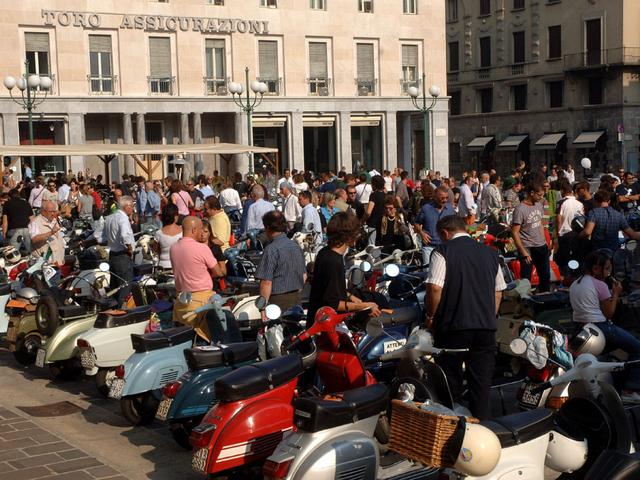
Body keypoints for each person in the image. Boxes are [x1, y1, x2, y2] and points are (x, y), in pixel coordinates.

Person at [425, 215, 506, 420]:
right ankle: (483, 429)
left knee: (450, 383)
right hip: (485, 327)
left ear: (445, 233)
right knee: (481, 385)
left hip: (453, 326)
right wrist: (490, 314)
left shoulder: (442, 251)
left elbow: (435, 288)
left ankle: (453, 429)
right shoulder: (491, 253)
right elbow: (498, 292)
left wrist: (431, 316)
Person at [570, 250, 640, 403]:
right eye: (607, 268)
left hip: (581, 329)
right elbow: (609, 313)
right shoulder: (600, 285)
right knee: (637, 348)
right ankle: (631, 390)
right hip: (601, 327)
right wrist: (615, 293)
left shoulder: (576, 283)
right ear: (596, 268)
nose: (609, 272)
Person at [307, 212, 381, 327]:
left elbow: (330, 289)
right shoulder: (334, 261)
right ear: (348, 236)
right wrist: (366, 306)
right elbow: (333, 303)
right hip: (325, 327)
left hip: (317, 320)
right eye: (355, 233)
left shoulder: (324, 252)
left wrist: (351, 297)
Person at [170, 216, 224, 342]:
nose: (202, 232)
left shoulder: (174, 248)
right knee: (207, 341)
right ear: (194, 230)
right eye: (201, 229)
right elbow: (218, 272)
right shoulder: (202, 248)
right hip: (201, 303)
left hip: (182, 302)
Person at [255, 211, 306, 316]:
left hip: (277, 302)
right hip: (296, 298)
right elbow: (304, 276)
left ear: (268, 228)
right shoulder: (295, 246)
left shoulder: (271, 250)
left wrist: (262, 308)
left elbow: (266, 282)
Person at [511, 181, 550, 293]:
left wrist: (545, 242)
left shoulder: (539, 205)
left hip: (541, 246)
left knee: (545, 278)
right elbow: (514, 232)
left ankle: (544, 303)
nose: (541, 197)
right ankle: (526, 306)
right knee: (526, 281)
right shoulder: (520, 209)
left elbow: (541, 224)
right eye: (539, 195)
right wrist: (523, 251)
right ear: (532, 193)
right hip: (527, 247)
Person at [101, 196, 136, 307]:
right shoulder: (123, 218)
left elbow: (103, 237)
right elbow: (125, 236)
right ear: (126, 207)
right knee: (125, 286)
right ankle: (122, 311)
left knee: (115, 285)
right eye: (131, 206)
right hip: (122, 255)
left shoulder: (110, 217)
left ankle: (114, 308)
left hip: (112, 254)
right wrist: (130, 250)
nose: (132, 209)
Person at [414, 186, 456, 263]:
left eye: (446, 198)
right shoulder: (426, 208)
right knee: (428, 272)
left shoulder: (450, 209)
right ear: (435, 197)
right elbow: (416, 223)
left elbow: (455, 225)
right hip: (429, 246)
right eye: (442, 198)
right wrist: (421, 233)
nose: (445, 200)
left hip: (445, 246)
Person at [555, 179, 584, 273]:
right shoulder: (580, 204)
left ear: (563, 191)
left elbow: (558, 219)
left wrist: (557, 234)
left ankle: (566, 276)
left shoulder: (561, 203)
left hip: (564, 233)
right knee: (574, 257)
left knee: (564, 259)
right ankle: (574, 274)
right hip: (577, 234)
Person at [28, 200, 65, 265]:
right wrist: (51, 233)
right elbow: (34, 239)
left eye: (54, 211)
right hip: (46, 264)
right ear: (43, 211)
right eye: (51, 211)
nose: (53, 214)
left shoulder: (53, 220)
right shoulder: (35, 222)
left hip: (58, 261)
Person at [153, 203, 182, 269]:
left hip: (164, 266)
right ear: (175, 216)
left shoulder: (158, 233)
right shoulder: (183, 231)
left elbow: (156, 252)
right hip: (180, 266)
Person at [364, 175, 387, 243]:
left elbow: (368, 212)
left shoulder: (373, 195)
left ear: (374, 185)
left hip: (373, 223)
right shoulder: (385, 195)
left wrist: (362, 220)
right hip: (382, 223)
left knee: (372, 245)